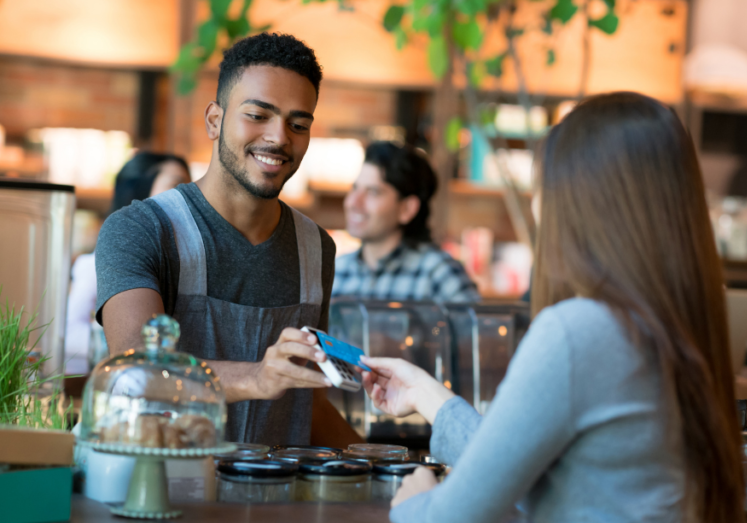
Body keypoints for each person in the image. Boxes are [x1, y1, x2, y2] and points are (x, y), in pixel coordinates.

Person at [358, 92, 746, 523]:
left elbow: (452, 516)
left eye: (541, 189)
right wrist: (427, 396)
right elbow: (536, 470)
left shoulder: (580, 330)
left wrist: (414, 502)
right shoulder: (678, 321)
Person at [95, 33, 361, 447]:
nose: (279, 138)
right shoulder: (141, 229)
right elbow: (134, 374)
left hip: (276, 505)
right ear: (214, 121)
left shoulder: (316, 248)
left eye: (298, 124)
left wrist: (391, 467)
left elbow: (308, 403)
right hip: (159, 497)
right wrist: (258, 376)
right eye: (258, 115)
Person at [65, 152, 192, 374]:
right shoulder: (94, 265)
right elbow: (69, 336)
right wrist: (116, 338)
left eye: (190, 186)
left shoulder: (187, 261)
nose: (187, 196)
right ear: (140, 190)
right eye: (176, 185)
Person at [332, 141, 480, 302]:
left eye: (373, 192)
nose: (353, 203)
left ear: (407, 209)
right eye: (355, 188)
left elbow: (477, 327)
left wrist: (435, 329)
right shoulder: (336, 271)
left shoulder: (439, 274)